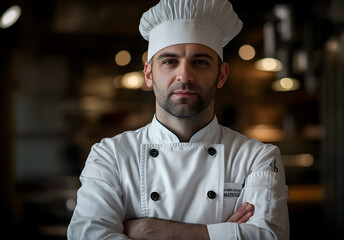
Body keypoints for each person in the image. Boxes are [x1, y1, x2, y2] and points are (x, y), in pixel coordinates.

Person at [67, 0, 290, 239]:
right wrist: (224, 233)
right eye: (170, 61)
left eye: (200, 62)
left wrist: (149, 231)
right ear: (149, 74)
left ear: (222, 75)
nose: (184, 75)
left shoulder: (257, 157)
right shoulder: (110, 155)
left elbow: (269, 236)